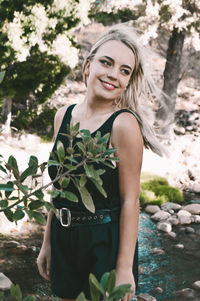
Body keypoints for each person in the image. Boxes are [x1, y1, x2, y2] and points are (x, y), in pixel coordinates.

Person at [37, 23, 165, 301]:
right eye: (106, 63)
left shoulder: (124, 125)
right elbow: (59, 187)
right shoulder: (63, 116)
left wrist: (123, 268)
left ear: (129, 80)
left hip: (104, 243)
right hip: (63, 237)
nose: (113, 75)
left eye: (124, 70)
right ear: (87, 66)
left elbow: (131, 200)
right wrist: (47, 242)